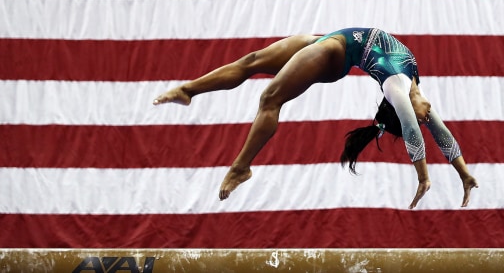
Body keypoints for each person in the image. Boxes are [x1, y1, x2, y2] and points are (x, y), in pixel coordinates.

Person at [153, 27, 478, 209]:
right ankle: (188, 90)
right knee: (251, 61)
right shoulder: (414, 84)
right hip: (329, 39)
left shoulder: (397, 91)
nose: (427, 116)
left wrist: (423, 177)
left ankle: (241, 167)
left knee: (269, 98)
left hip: (332, 54)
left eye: (423, 117)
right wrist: (463, 173)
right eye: (425, 117)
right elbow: (440, 132)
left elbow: (412, 130)